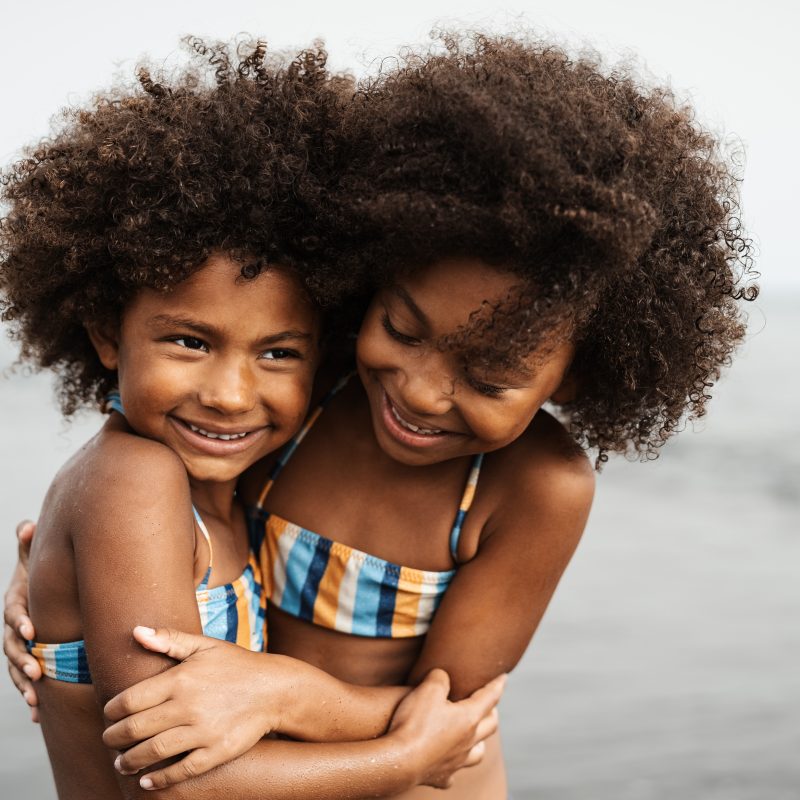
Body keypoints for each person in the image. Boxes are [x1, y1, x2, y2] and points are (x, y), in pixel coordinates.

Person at [5, 32, 756, 799]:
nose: (423, 393)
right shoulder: (305, 389)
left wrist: (281, 690)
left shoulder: (535, 487)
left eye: (491, 377)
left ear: (584, 375)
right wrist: (55, 590)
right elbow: (150, 506)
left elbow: (449, 719)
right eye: (400, 329)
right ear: (372, 274)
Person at [0, 38, 504, 800]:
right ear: (107, 332)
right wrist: (405, 758)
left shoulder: (227, 484)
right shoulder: (135, 481)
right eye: (189, 341)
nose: (231, 395)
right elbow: (178, 776)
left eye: (278, 353)